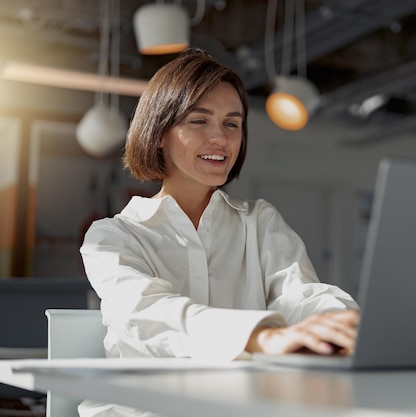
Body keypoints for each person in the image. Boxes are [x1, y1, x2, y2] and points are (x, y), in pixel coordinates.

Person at [80, 48, 359, 367]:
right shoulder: (112, 237)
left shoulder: (259, 222)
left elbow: (301, 293)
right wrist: (260, 337)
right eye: (199, 120)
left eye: (232, 124)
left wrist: (342, 324)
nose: (220, 138)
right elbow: (149, 312)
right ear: (159, 134)